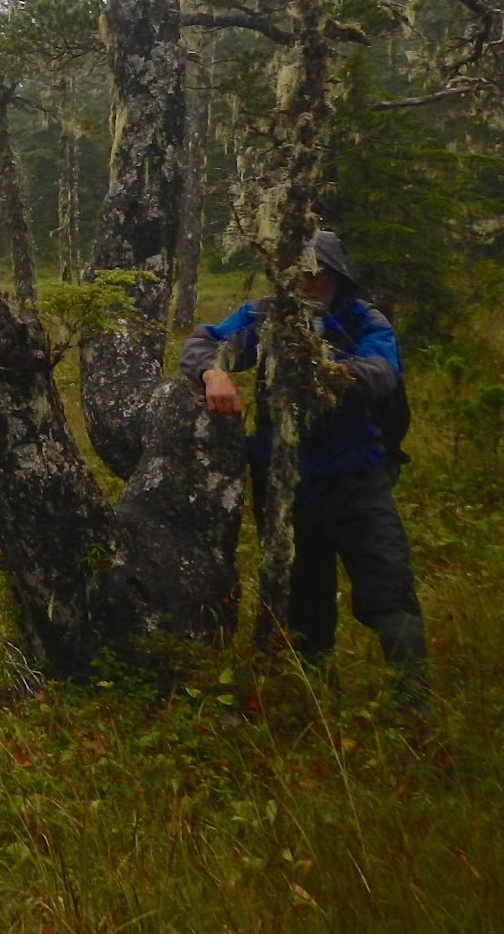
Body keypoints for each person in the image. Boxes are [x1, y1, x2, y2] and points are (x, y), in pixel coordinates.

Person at [180, 230, 427, 694]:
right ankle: (310, 696)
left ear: (336, 276)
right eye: (300, 275)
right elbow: (204, 341)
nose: (310, 284)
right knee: (302, 604)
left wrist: (322, 366)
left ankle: (415, 701)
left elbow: (381, 374)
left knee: (388, 589)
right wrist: (213, 372)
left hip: (359, 482)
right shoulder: (266, 315)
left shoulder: (362, 320)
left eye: (319, 274)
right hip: (288, 490)